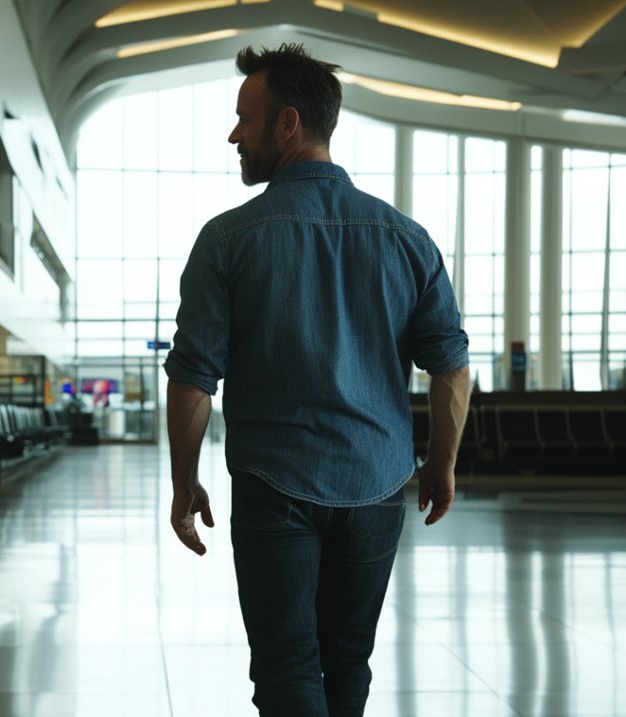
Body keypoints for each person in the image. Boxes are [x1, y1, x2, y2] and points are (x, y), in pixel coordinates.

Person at [163, 43, 471, 717]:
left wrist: (185, 482)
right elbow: (449, 365)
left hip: (275, 485)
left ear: (288, 124)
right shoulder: (406, 238)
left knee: (286, 663)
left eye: (244, 118)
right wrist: (441, 464)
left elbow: (193, 378)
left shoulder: (227, 240)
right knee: (346, 659)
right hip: (378, 482)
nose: (233, 134)